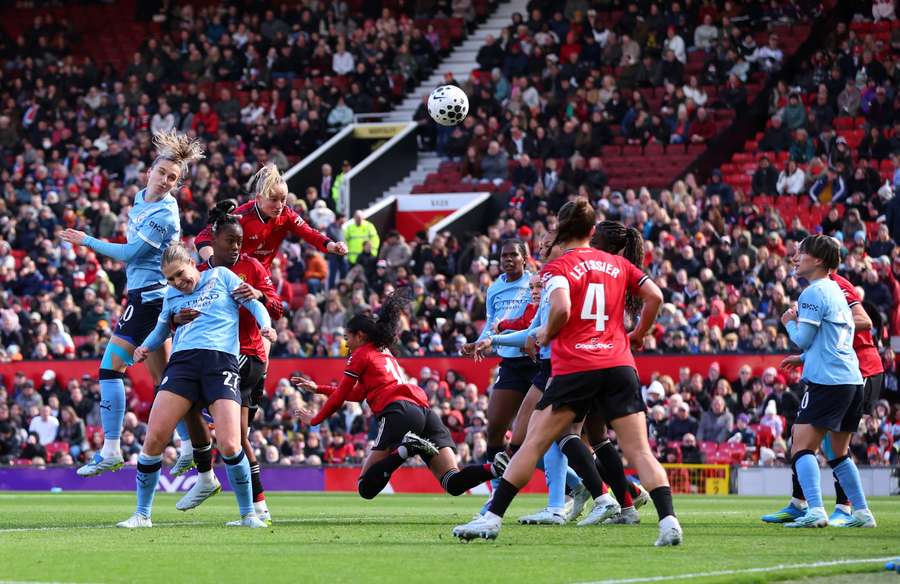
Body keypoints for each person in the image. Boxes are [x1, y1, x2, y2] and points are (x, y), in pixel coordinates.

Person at [453, 200, 682, 546]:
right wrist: (638, 335)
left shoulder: (557, 267)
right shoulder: (619, 264)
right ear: (593, 231)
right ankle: (668, 522)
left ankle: (492, 518)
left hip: (576, 367)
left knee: (533, 443)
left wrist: (545, 333)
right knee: (639, 452)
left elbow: (560, 307)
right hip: (619, 365)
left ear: (562, 228)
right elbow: (655, 296)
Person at [60, 130, 205, 477]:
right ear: (149, 172)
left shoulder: (164, 216)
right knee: (167, 381)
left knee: (110, 369)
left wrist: (87, 240)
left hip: (150, 300)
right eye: (162, 173)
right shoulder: (141, 199)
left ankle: (111, 449)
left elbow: (129, 254)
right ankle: (193, 450)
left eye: (173, 178)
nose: (166, 181)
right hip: (149, 297)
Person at [116, 244, 276, 529]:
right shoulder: (172, 296)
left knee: (229, 443)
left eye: (179, 274)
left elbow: (254, 305)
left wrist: (266, 327)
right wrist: (144, 348)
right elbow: (161, 329)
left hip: (221, 363)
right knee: (154, 438)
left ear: (192, 262)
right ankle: (142, 515)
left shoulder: (223, 276)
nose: (178, 282)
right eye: (171, 279)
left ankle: (248, 515)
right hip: (183, 365)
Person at [292, 290, 508, 500]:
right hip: (424, 412)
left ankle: (406, 450)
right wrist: (318, 388)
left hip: (397, 411)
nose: (346, 343)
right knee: (452, 482)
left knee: (365, 487)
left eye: (348, 337)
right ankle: (494, 467)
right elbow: (358, 394)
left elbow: (340, 396)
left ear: (360, 335)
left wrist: (315, 420)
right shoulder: (383, 351)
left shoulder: (361, 353)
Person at [171, 205, 283, 524]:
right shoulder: (199, 273)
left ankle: (206, 473)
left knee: (191, 404)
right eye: (230, 241)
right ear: (215, 240)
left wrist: (259, 295)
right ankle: (257, 508)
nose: (236, 247)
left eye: (240, 242)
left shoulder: (251, 266)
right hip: (224, 355)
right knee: (236, 438)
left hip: (245, 355)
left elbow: (277, 305)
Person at [763, 267, 884, 527]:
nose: (795, 259)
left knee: (802, 443)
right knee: (834, 449)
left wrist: (790, 323)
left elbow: (855, 323)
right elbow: (834, 334)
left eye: (801, 253)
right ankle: (859, 512)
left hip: (840, 374)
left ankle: (819, 509)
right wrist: (805, 358)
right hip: (849, 373)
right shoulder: (829, 289)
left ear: (819, 260)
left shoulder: (825, 288)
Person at [461, 240, 536, 514]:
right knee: (494, 429)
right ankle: (496, 493)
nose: (507, 260)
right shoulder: (494, 288)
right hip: (511, 363)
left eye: (513, 255)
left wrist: (491, 339)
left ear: (525, 258)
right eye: (503, 256)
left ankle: (592, 489)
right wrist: (476, 343)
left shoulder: (536, 283)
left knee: (550, 436)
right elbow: (491, 327)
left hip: (537, 361)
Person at [195, 164, 348, 269]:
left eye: (283, 199)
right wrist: (214, 264)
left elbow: (310, 234)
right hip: (235, 274)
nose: (280, 205)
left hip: (262, 277)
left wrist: (333, 246)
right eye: (273, 199)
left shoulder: (286, 214)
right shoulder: (242, 215)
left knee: (276, 310)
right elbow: (202, 238)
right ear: (260, 198)